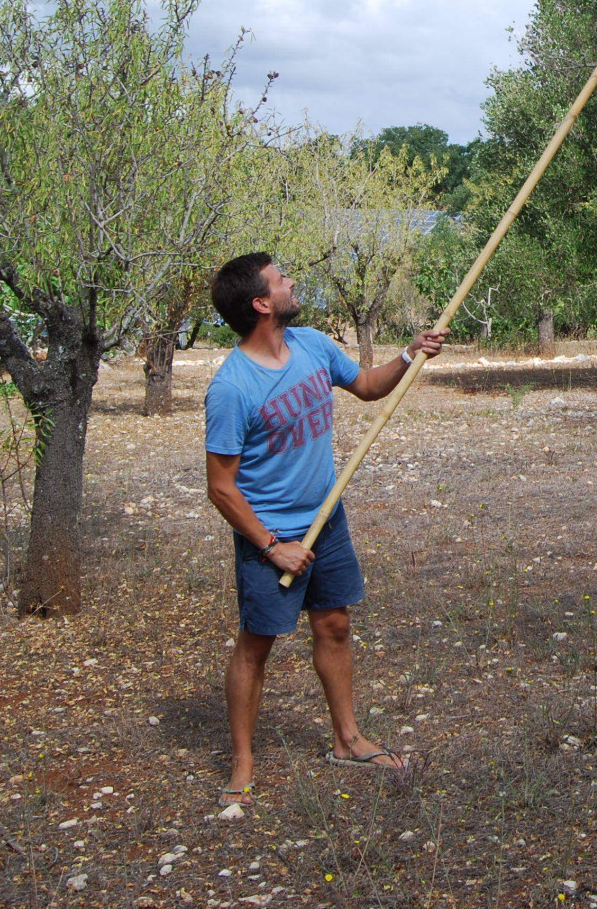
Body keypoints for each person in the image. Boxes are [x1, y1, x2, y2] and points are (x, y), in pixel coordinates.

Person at [202, 251, 447, 806]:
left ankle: (347, 740)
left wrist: (410, 353)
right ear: (261, 304)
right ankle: (242, 761)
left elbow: (367, 385)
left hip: (326, 519)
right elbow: (221, 487)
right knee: (256, 645)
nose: (291, 282)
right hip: (271, 537)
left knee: (334, 625)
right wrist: (272, 548)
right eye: (281, 279)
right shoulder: (232, 388)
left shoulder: (312, 344)